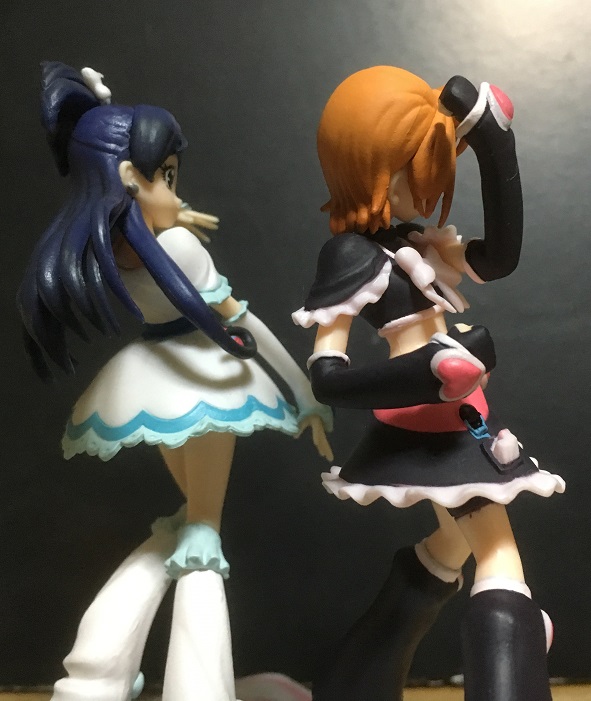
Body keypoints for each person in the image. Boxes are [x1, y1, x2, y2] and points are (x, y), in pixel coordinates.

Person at [18, 61, 332, 701]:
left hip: (150, 381)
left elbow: (156, 249)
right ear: (130, 179)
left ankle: (95, 670)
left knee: (184, 525)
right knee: (201, 536)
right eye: (164, 175)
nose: (174, 189)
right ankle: (195, 688)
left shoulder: (106, 256)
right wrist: (303, 393)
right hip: (206, 378)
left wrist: (170, 213)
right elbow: (242, 320)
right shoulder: (181, 251)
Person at [292, 66, 564, 701]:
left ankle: (354, 681)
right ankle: (512, 649)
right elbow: (328, 376)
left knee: (450, 545)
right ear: (371, 171)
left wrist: (496, 145)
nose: (429, 189)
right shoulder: (352, 257)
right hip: (430, 428)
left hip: (462, 414)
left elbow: (499, 257)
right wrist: (426, 375)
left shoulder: (417, 244)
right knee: (500, 560)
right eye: (415, 172)